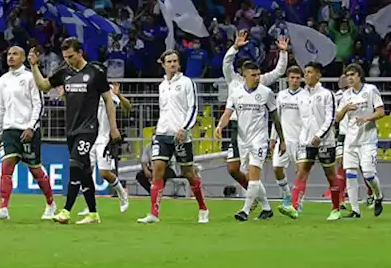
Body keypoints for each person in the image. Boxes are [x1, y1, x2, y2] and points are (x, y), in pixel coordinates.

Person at [29, 38, 121, 225]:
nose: (68, 60)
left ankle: (66, 210)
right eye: (65, 57)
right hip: (71, 128)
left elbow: (108, 100)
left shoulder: (96, 72)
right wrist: (34, 66)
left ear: (80, 53)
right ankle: (93, 213)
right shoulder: (64, 73)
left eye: (71, 56)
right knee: (85, 171)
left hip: (89, 128)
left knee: (75, 166)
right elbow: (43, 86)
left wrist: (113, 127)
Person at [135, 50, 209, 224]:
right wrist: (159, 128)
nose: (173, 64)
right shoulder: (162, 85)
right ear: (163, 64)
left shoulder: (186, 83)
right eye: (169, 61)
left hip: (181, 135)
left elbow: (193, 108)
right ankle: (154, 213)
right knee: (157, 171)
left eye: (175, 61)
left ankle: (203, 208)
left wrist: (184, 128)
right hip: (162, 134)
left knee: (188, 173)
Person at [0, 45, 57, 221]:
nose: (10, 57)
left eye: (15, 54)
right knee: (6, 167)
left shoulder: (30, 77)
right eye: (9, 54)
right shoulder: (2, 79)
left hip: (27, 130)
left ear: (23, 58)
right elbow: (1, 107)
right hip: (9, 130)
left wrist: (31, 127)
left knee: (35, 170)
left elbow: (38, 104)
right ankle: (3, 208)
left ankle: (50, 203)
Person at [213, 59, 286, 221]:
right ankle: (266, 208)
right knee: (248, 175)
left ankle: (245, 211)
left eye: (258, 74)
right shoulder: (236, 93)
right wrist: (219, 126)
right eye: (253, 75)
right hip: (242, 140)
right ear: (245, 76)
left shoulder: (266, 93)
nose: (257, 77)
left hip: (259, 140)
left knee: (253, 177)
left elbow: (275, 118)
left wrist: (282, 139)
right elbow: (227, 113)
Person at [220, 31, 289, 197]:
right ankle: (256, 196)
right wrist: (235, 47)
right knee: (233, 169)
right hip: (236, 128)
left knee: (252, 168)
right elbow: (226, 63)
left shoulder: (261, 83)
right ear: (241, 72)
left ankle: (251, 202)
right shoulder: (233, 80)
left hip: (255, 129)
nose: (254, 76)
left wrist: (283, 52)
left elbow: (278, 71)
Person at [292, 61, 341, 221]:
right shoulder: (301, 95)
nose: (306, 75)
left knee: (330, 176)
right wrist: (302, 138)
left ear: (318, 75)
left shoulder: (327, 94)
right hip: (307, 142)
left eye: (310, 72)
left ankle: (335, 208)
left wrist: (319, 135)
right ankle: (293, 207)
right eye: (305, 72)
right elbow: (301, 119)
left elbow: (331, 118)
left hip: (325, 142)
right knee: (301, 173)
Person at [335, 63, 385, 219]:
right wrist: (344, 109)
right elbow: (337, 118)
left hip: (368, 139)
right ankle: (355, 210)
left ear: (359, 76)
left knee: (369, 174)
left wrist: (366, 118)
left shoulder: (371, 90)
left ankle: (378, 196)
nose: (349, 78)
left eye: (352, 75)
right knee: (350, 173)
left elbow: (381, 112)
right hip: (351, 140)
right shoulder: (345, 96)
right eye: (347, 75)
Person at [81, 82, 132, 216]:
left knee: (104, 173)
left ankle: (122, 193)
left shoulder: (108, 90)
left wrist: (119, 95)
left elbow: (128, 108)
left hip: (104, 138)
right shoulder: (86, 89)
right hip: (89, 137)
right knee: (86, 173)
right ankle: (90, 206)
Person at [271, 66, 307, 211]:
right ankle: (287, 195)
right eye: (292, 77)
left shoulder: (305, 96)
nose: (295, 80)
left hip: (300, 140)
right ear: (287, 79)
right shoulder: (281, 95)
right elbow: (276, 118)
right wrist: (273, 138)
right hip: (284, 140)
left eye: (298, 78)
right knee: (277, 168)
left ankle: (298, 201)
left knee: (301, 172)